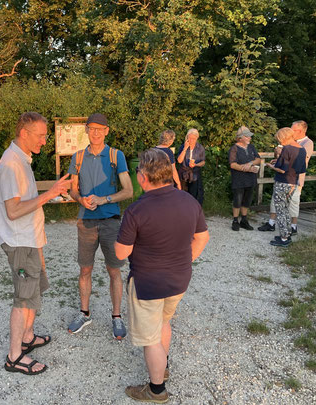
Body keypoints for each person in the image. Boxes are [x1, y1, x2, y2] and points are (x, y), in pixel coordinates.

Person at [114, 148, 209, 403]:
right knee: (164, 322)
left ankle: (156, 390)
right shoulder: (189, 201)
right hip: (179, 279)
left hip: (148, 283)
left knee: (150, 337)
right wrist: (185, 259)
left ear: (143, 176)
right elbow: (202, 237)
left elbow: (121, 253)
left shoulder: (136, 210)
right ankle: (162, 367)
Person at [0, 112, 71, 375]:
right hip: (20, 243)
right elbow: (13, 211)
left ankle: (27, 337)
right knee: (24, 297)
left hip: (31, 239)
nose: (44, 141)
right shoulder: (10, 165)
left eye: (45, 136)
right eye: (40, 136)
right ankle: (14, 357)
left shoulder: (22, 159)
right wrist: (50, 194)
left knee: (35, 291)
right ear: (24, 133)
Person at [67, 113, 133, 339]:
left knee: (114, 270)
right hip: (85, 221)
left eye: (99, 129)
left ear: (107, 131)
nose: (95, 133)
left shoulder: (116, 156)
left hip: (110, 222)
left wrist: (104, 199)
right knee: (85, 269)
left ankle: (116, 317)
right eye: (91, 128)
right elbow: (72, 188)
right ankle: (84, 313)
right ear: (86, 130)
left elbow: (128, 190)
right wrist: (80, 199)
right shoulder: (77, 157)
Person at [258, 120, 314, 235]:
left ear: (300, 131)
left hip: (294, 179)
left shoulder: (307, 143)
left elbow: (299, 161)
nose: (290, 131)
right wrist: (278, 157)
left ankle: (292, 228)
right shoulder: (288, 145)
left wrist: (276, 162)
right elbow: (284, 160)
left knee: (293, 203)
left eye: (292, 129)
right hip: (284, 178)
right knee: (276, 201)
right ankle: (272, 223)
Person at [265, 128, 306, 247]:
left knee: (280, 210)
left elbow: (282, 169)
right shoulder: (301, 149)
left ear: (284, 138)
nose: (280, 142)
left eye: (279, 140)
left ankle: (283, 238)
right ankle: (287, 233)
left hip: (282, 182)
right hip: (293, 183)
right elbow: (301, 168)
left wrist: (270, 166)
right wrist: (277, 161)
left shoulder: (287, 148)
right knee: (286, 208)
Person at [228, 126, 261, 231]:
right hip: (239, 179)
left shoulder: (251, 147)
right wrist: (246, 169)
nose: (250, 138)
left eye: (249, 136)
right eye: (247, 137)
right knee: (237, 200)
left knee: (247, 200)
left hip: (251, 179)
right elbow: (232, 164)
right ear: (240, 138)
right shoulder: (234, 149)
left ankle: (244, 220)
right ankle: (235, 221)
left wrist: (250, 163)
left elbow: (258, 159)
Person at [177, 129, 205, 205]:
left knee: (194, 195)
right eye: (190, 138)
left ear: (197, 138)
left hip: (195, 173)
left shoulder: (200, 148)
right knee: (183, 195)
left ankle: (193, 212)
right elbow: (179, 160)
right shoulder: (183, 146)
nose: (191, 140)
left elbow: (203, 162)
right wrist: (185, 148)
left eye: (194, 138)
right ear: (187, 138)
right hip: (184, 173)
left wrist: (196, 164)